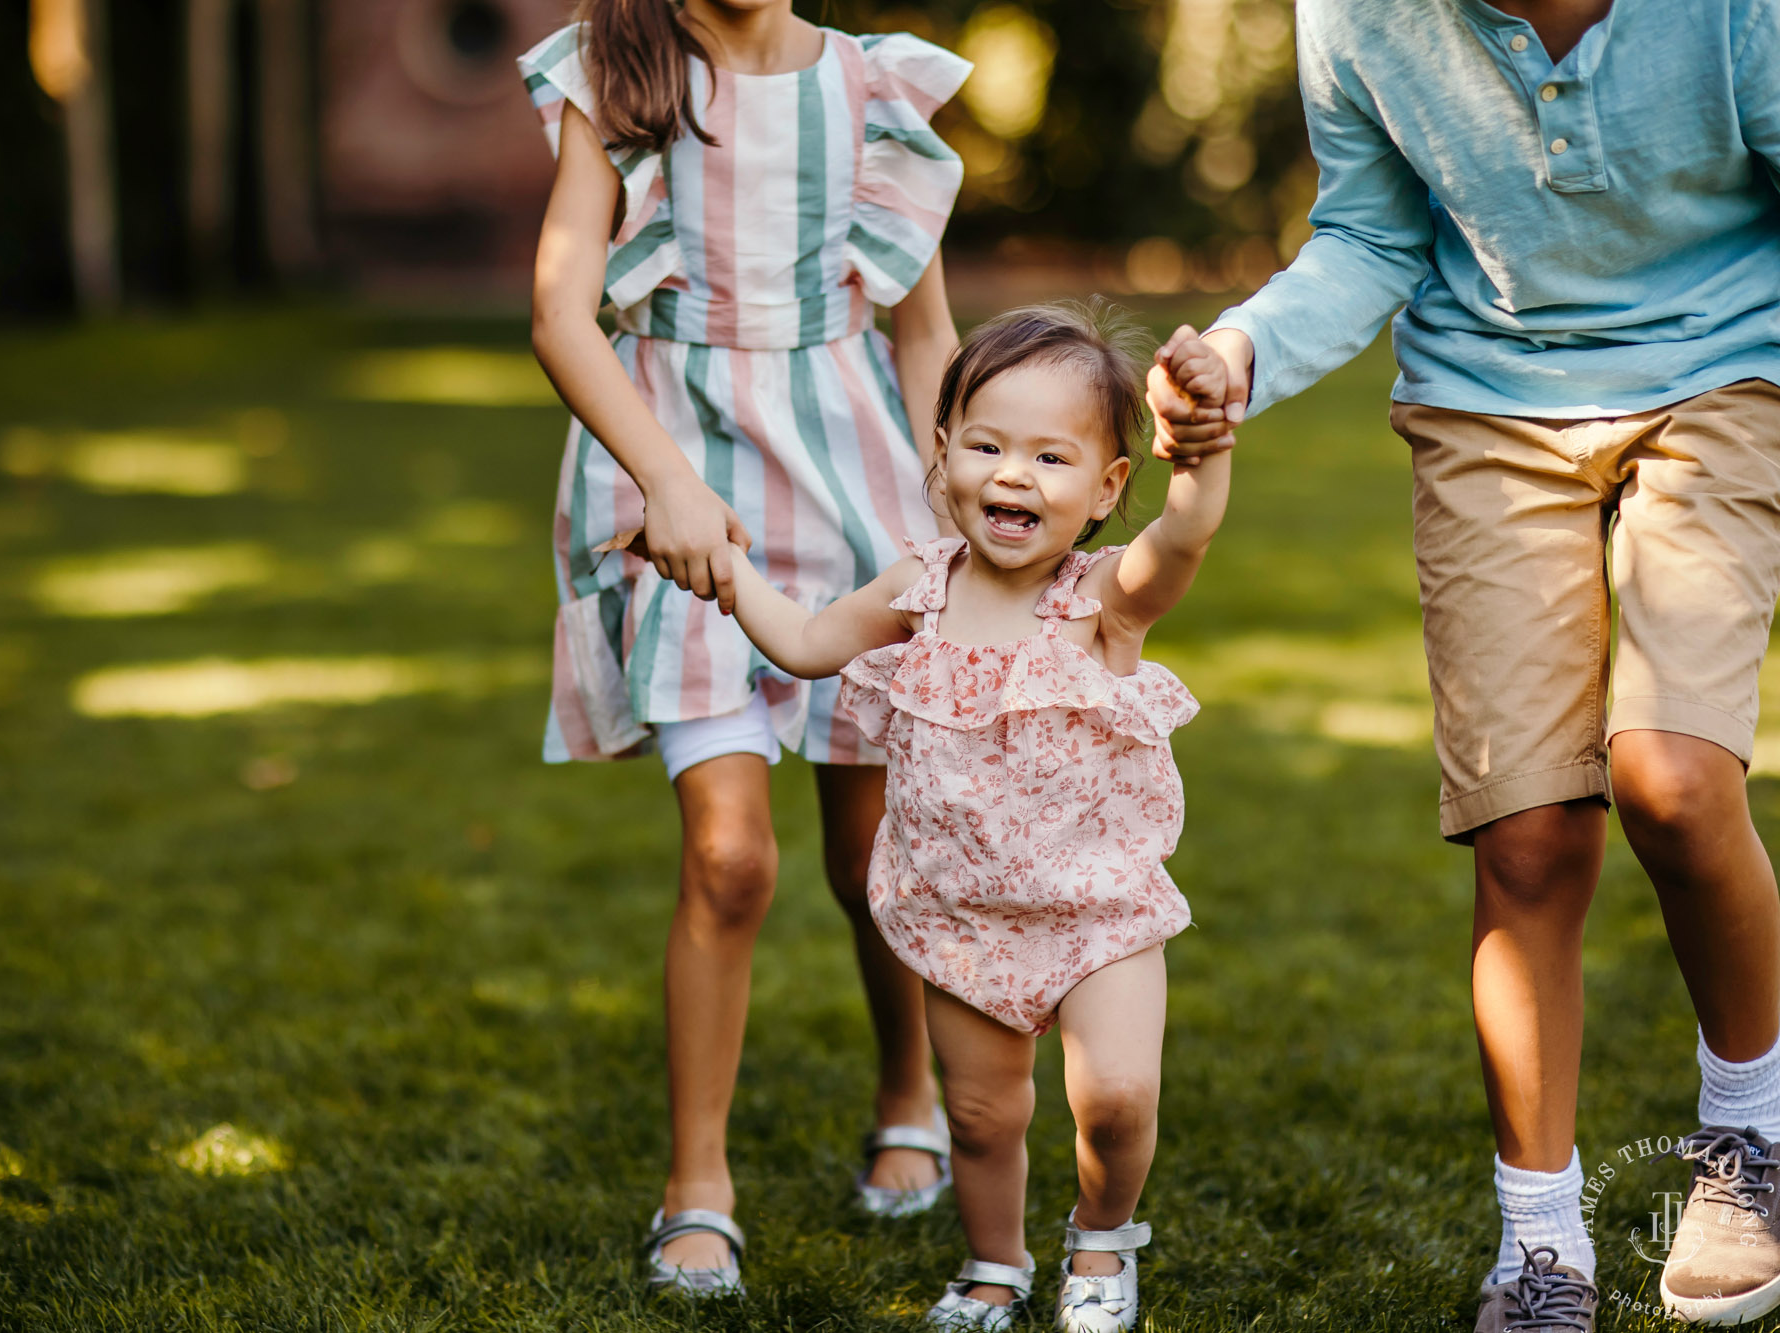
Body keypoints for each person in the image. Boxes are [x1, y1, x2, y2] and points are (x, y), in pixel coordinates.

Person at [1149, 1, 1780, 1327]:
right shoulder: (1362, 13)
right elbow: (1371, 232)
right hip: (1489, 397)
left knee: (1670, 777)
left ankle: (1753, 1144)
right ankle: (1540, 1248)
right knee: (1528, 831)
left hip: (1728, 375)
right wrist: (1241, 351)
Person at [517, 0, 973, 1297]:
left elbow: (920, 326)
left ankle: (909, 1095)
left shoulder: (874, 89)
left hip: (855, 500)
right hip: (683, 504)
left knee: (870, 850)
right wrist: (662, 481)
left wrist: (959, 497)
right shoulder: (617, 72)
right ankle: (697, 1185)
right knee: (729, 857)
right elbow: (561, 312)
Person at [715, 303, 1233, 1331]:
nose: (1011, 475)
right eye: (987, 445)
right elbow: (810, 644)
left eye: (1050, 456)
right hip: (957, 907)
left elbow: (1180, 538)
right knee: (981, 1115)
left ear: (1102, 488)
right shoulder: (920, 586)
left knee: (1117, 1097)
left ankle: (1098, 1239)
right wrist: (727, 569)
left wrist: (1199, 455)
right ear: (941, 453)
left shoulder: (1099, 601)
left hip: (1097, 909)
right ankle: (994, 1264)